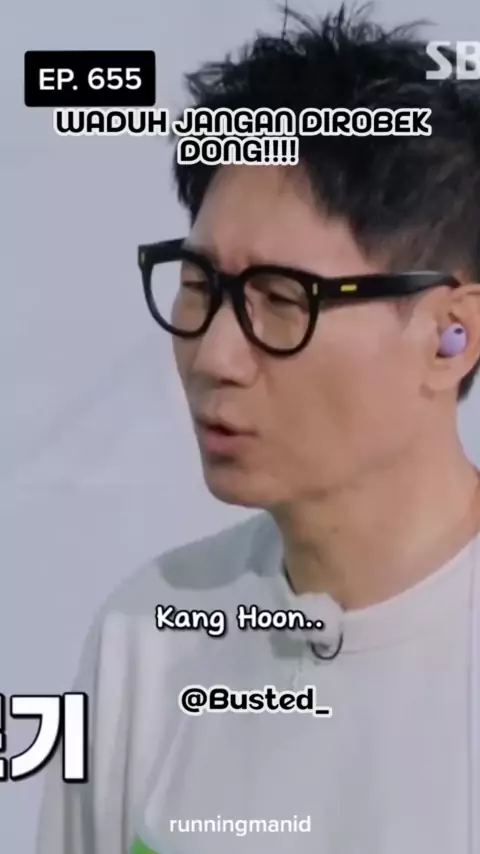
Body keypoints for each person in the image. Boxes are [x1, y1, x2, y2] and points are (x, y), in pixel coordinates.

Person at [37, 7, 480, 854]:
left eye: (281, 299)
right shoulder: (150, 635)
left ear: (449, 335)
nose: (215, 355)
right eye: (199, 286)